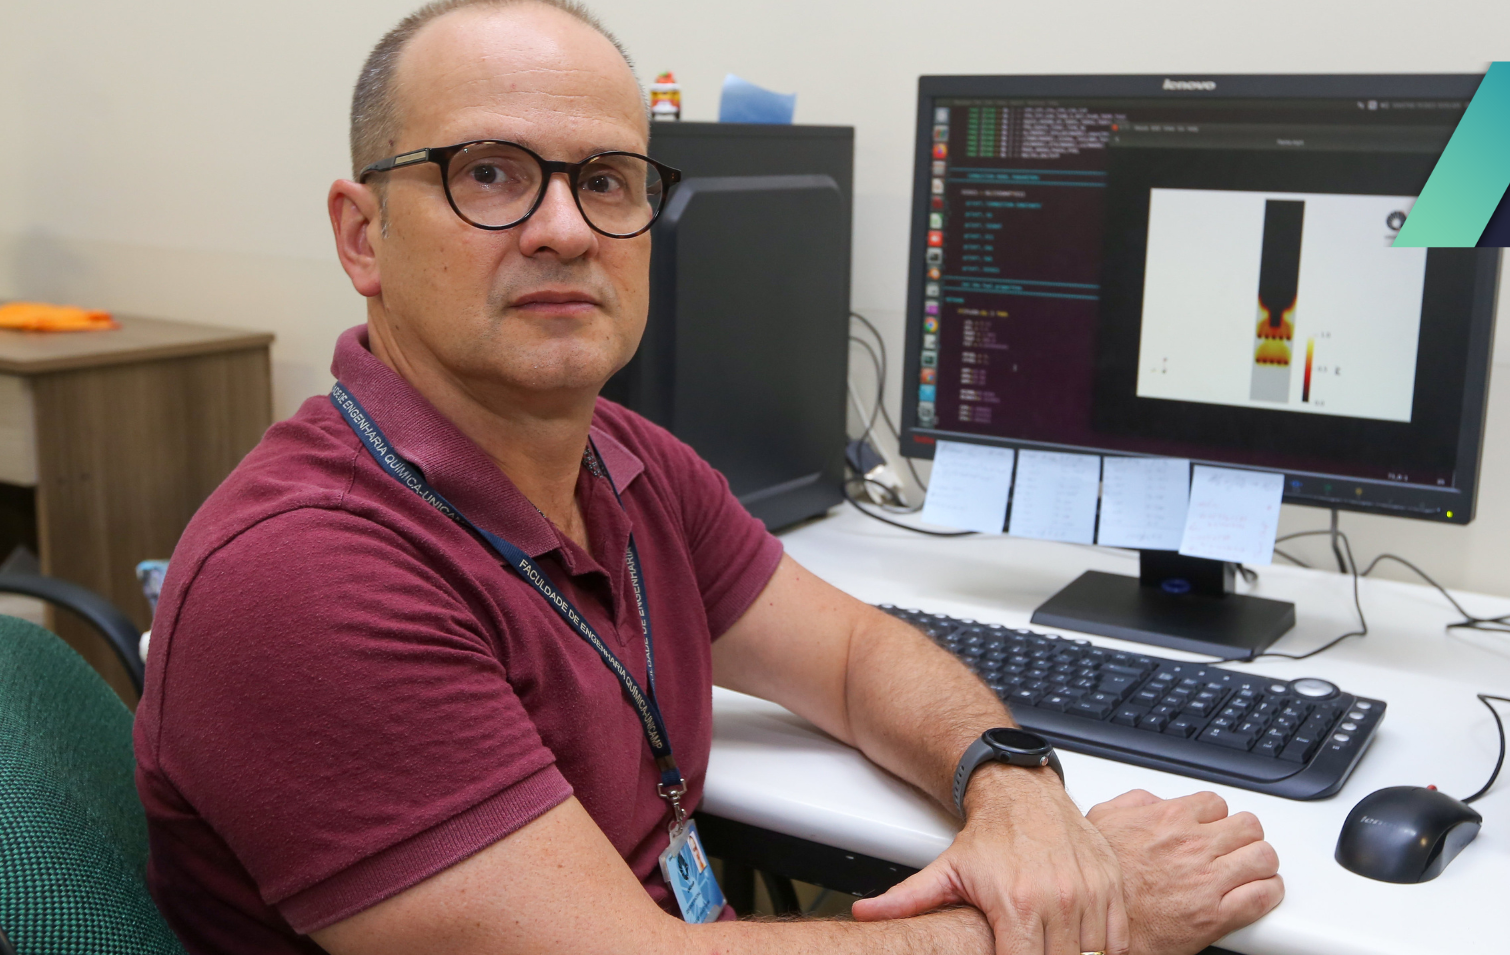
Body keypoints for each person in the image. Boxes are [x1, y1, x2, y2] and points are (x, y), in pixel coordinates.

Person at [131, 1, 1284, 953]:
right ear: (361, 235)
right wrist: (1082, 914)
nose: (563, 230)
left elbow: (848, 653)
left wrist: (1016, 789)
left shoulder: (624, 463)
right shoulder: (306, 576)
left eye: (609, 180)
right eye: (488, 173)